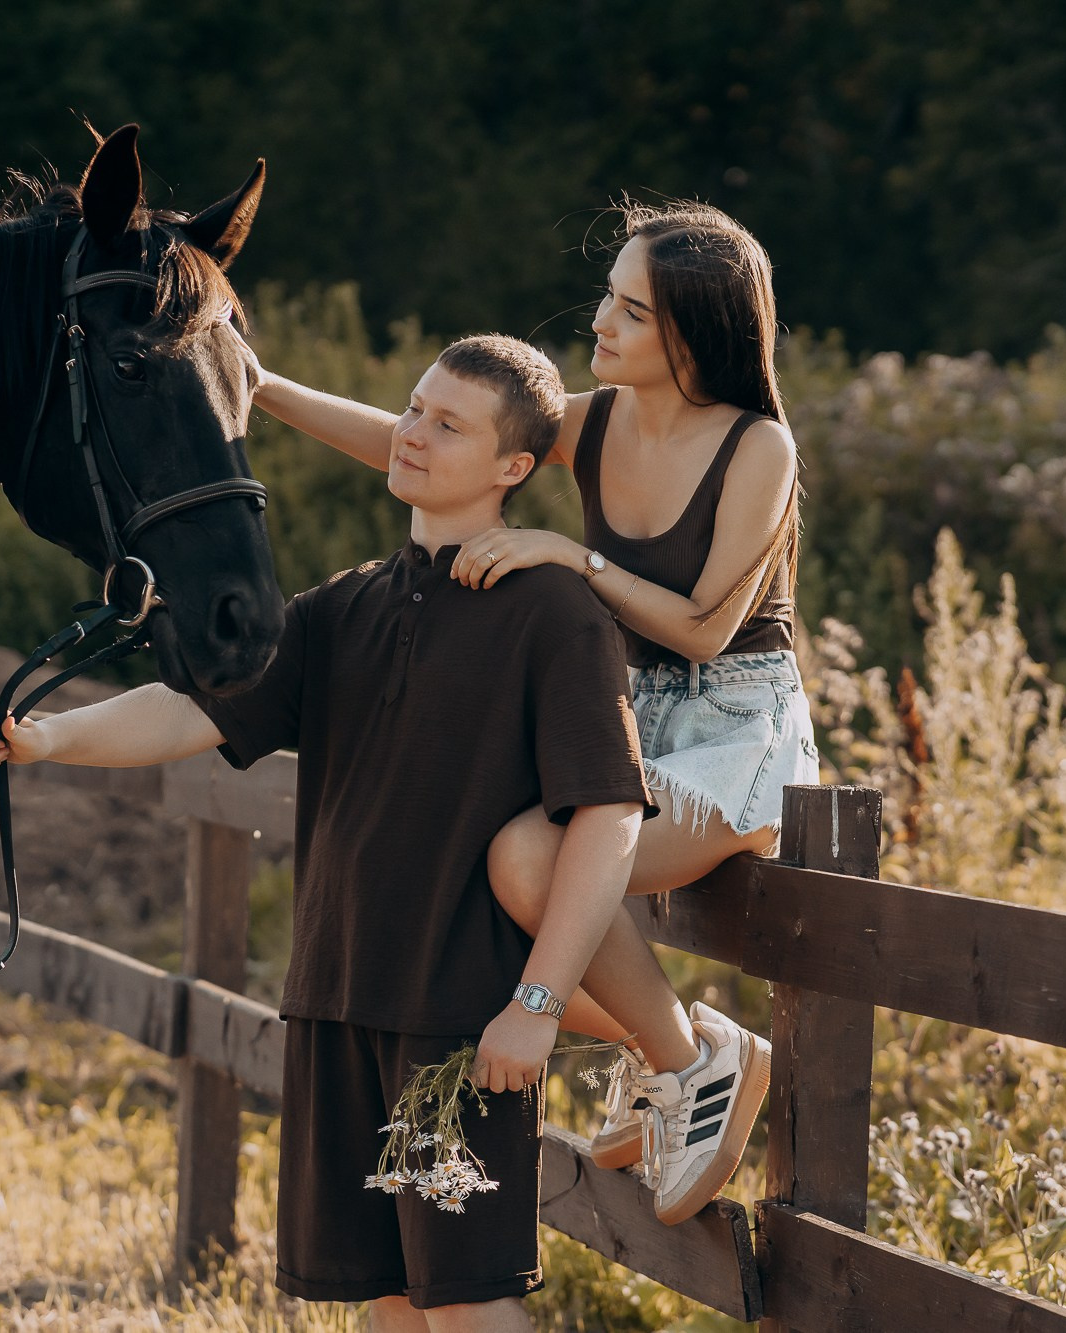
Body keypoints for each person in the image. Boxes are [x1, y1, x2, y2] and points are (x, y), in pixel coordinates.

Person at [0, 334, 758, 1329]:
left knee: (466, 1307)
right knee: (385, 1303)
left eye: (446, 424)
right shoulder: (344, 603)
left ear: (513, 467)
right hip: (337, 1005)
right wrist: (48, 738)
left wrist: (537, 1003)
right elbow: (193, 708)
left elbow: (604, 818)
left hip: (458, 1030)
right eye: (414, 408)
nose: (411, 435)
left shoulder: (553, 611)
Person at [247, 202, 812, 1220]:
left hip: (736, 733)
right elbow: (425, 443)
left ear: (692, 337)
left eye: (631, 311)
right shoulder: (593, 421)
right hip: (633, 710)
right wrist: (261, 390)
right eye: (609, 295)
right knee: (501, 856)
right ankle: (682, 1052)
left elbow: (699, 630)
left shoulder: (755, 449)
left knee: (530, 859)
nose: (599, 320)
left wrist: (570, 556)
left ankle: (686, 1062)